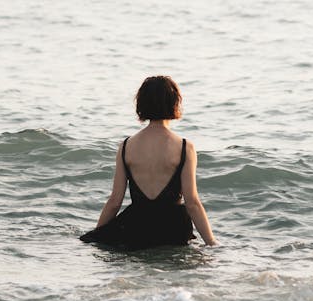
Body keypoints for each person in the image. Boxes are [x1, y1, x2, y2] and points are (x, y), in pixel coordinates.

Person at [80, 75, 217, 250]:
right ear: (174, 103)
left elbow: (115, 200)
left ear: (141, 104)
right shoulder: (184, 147)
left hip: (137, 229)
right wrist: (211, 243)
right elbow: (192, 203)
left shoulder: (126, 146)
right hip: (173, 230)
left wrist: (97, 234)